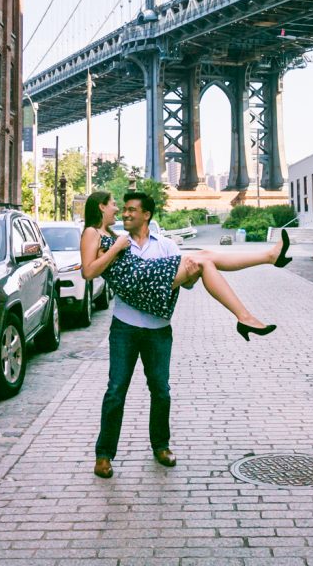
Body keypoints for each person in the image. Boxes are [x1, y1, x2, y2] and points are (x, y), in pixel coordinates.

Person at [80, 189, 291, 479]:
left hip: (157, 321)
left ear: (146, 215)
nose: (121, 211)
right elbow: (88, 272)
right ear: (101, 207)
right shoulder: (96, 233)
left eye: (129, 209)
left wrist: (189, 273)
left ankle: (161, 446)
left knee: (161, 391)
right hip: (126, 324)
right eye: (118, 206)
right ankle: (103, 455)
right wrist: (117, 247)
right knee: (116, 392)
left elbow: (188, 284)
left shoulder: (162, 244)